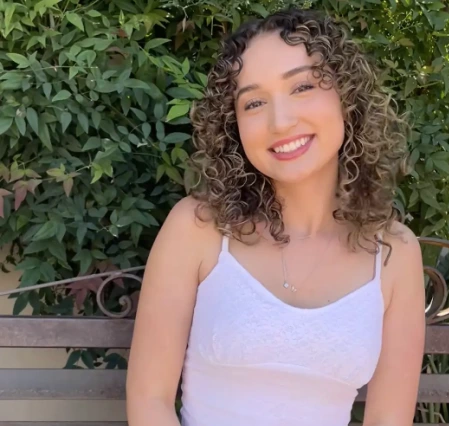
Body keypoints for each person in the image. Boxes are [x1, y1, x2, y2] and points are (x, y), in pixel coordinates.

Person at [126, 7, 425, 426]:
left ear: (347, 97)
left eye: (302, 86)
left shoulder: (395, 252)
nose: (280, 121)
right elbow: (149, 401)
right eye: (254, 102)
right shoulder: (198, 228)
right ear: (235, 125)